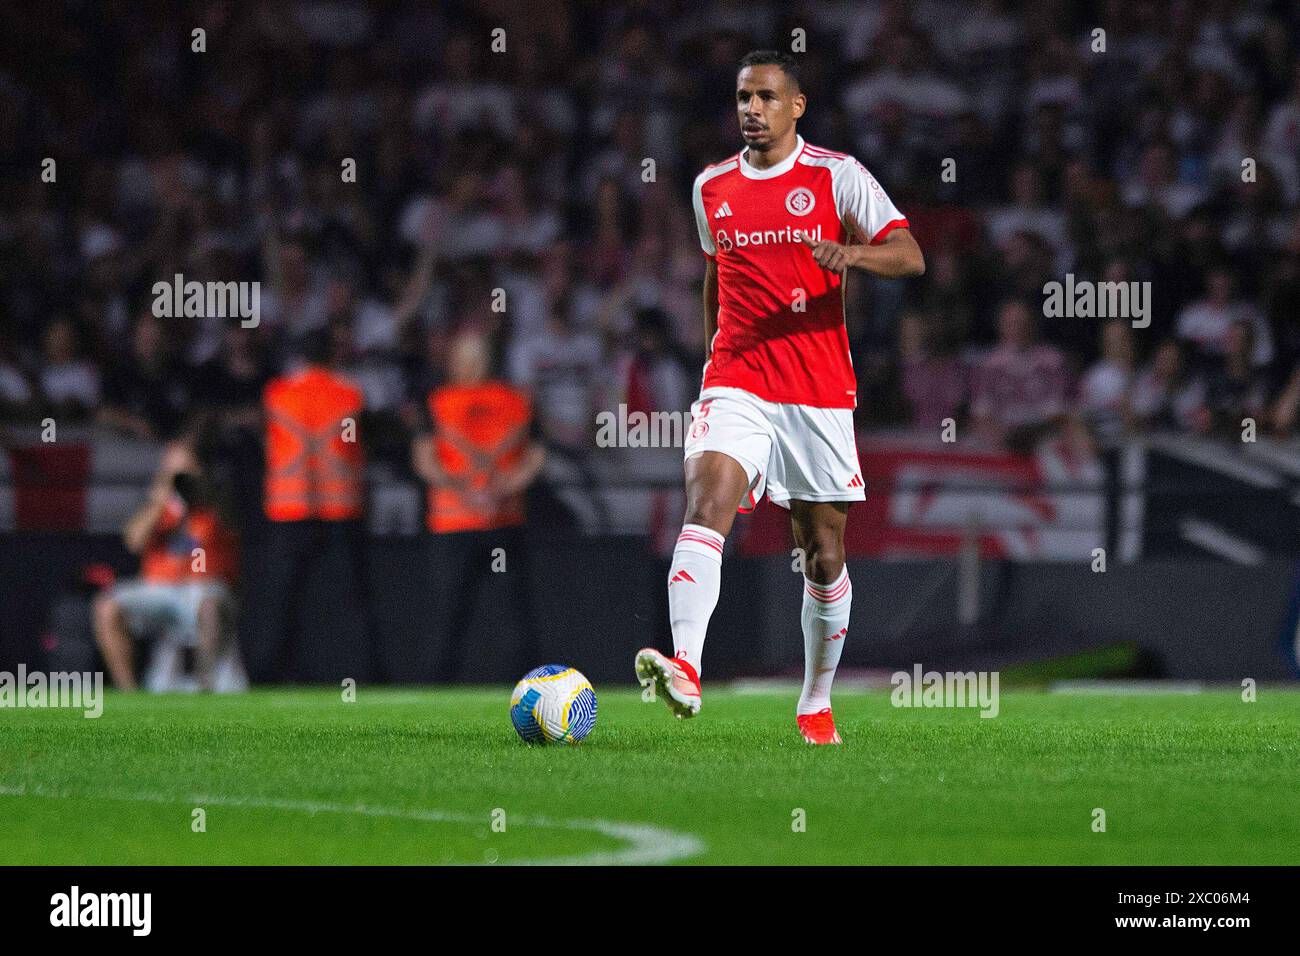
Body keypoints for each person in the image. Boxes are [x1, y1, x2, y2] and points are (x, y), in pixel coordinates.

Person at [633, 51, 925, 745]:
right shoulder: (711, 187)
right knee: (707, 502)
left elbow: (909, 254)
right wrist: (714, 358)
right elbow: (716, 275)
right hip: (737, 378)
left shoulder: (836, 176)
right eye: (742, 97)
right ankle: (686, 668)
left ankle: (816, 702)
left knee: (822, 551)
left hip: (818, 390)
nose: (752, 109)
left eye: (766, 96)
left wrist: (852, 255)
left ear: (797, 106)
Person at [413, 330, 546, 681]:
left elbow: (425, 459)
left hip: (462, 523)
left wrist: (475, 493)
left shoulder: (439, 401)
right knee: (506, 615)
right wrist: (499, 489)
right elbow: (534, 457)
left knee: (459, 616)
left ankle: (438, 692)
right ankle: (528, 691)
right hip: (491, 521)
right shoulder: (515, 400)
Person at [248, 329, 370, 680]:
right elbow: (359, 444)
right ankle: (362, 676)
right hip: (340, 510)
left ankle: (266, 677)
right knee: (351, 602)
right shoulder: (349, 394)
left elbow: (265, 437)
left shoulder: (277, 393)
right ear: (332, 355)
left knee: (280, 602)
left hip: (289, 509)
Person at [92, 428, 241, 690]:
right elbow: (133, 541)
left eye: (185, 470)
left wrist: (200, 492)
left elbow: (231, 526)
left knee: (208, 606)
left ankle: (204, 686)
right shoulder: (156, 505)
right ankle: (130, 693)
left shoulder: (216, 499)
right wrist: (162, 498)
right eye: (172, 470)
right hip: (158, 589)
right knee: (107, 607)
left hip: (203, 589)